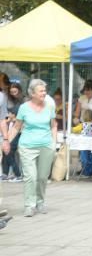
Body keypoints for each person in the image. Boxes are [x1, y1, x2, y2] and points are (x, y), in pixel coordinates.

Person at [4, 80, 57, 217]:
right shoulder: (24, 108)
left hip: (46, 146)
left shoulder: (50, 107)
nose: (44, 93)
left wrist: (54, 143)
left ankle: (40, 202)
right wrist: (7, 141)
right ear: (32, 93)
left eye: (45, 91)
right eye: (41, 91)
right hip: (27, 146)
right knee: (30, 177)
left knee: (42, 177)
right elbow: (16, 127)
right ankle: (29, 205)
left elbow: (53, 125)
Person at [2, 81, 24, 182]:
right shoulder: (9, 100)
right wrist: (9, 118)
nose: (13, 94)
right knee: (6, 149)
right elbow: (6, 115)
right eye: (11, 92)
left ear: (19, 91)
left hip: (19, 129)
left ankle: (17, 174)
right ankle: (5, 173)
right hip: (11, 127)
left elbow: (23, 118)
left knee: (10, 150)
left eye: (15, 92)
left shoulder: (23, 101)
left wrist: (12, 119)